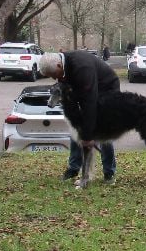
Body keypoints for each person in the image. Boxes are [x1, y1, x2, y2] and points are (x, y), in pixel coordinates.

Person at [38, 50, 118, 185]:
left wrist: (87, 136)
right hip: (85, 90)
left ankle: (109, 172)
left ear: (59, 66)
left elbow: (90, 102)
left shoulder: (83, 68)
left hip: (107, 89)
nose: (53, 78)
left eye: (53, 75)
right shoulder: (63, 65)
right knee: (77, 128)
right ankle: (74, 168)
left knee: (102, 131)